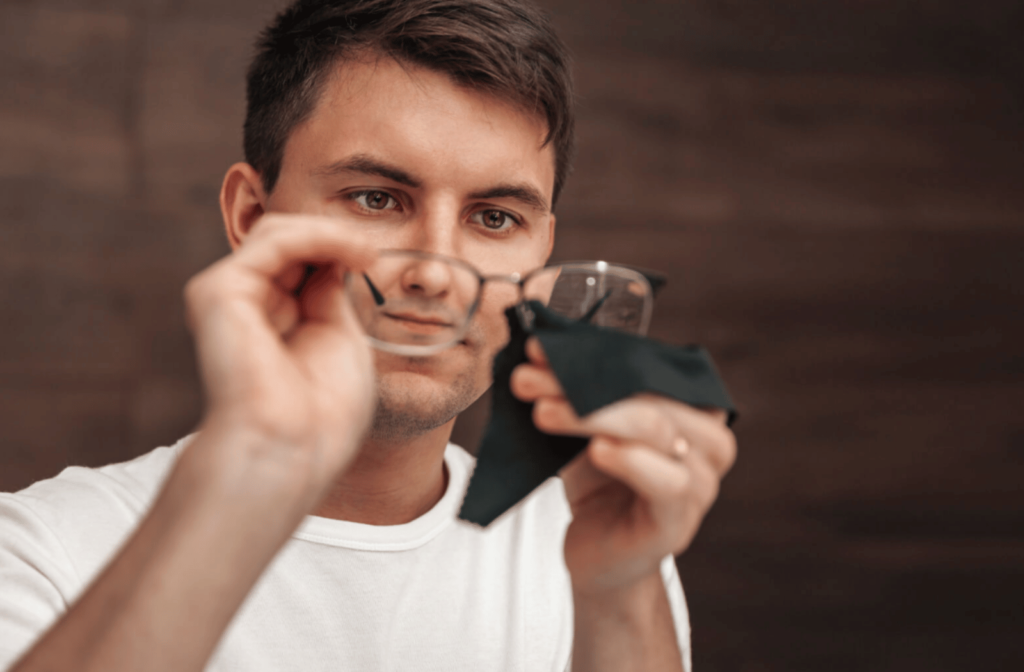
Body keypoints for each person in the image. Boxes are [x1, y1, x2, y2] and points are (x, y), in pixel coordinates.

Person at [0, 1, 736, 670]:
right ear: (253, 219)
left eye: (494, 218)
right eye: (377, 198)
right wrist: (253, 465)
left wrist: (620, 589)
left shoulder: (594, 547)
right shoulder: (43, 554)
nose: (437, 274)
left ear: (543, 250)